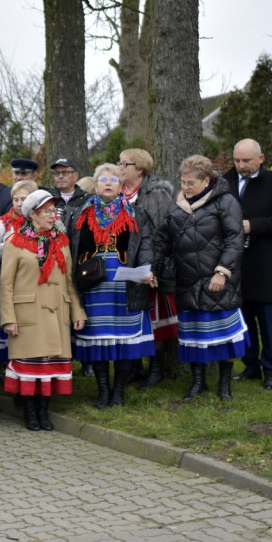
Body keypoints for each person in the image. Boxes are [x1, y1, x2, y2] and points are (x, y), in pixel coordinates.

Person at [156, 155, 247, 401]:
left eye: (190, 183)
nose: (185, 187)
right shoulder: (176, 205)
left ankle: (224, 385)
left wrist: (222, 272)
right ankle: (198, 383)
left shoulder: (225, 202)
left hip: (217, 280)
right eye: (183, 182)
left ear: (207, 180)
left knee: (226, 337)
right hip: (187, 281)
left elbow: (234, 240)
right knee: (193, 336)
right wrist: (151, 268)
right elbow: (163, 240)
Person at [0, 190, 86, 430]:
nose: (53, 216)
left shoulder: (62, 241)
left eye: (53, 211)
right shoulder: (15, 242)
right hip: (28, 314)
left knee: (49, 366)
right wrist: (8, 318)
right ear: (34, 215)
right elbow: (5, 284)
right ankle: (29, 412)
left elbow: (69, 280)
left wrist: (77, 312)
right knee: (30, 365)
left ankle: (44, 412)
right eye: (47, 211)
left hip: (57, 312)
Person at [72, 163, 156, 408]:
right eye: (103, 179)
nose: (108, 183)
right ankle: (103, 391)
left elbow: (147, 245)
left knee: (123, 342)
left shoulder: (136, 214)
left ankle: (119, 391)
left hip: (124, 287)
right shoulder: (79, 214)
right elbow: (72, 248)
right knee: (97, 340)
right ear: (96, 185)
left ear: (121, 185)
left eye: (113, 179)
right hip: (93, 286)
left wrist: (148, 268)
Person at [223, 138, 272, 390]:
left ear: (261, 159)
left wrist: (252, 225)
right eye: (237, 160)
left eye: (246, 161)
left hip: (266, 263)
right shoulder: (225, 181)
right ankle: (251, 366)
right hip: (236, 263)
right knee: (244, 319)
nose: (241, 165)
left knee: (268, 320)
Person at [119, 148, 177, 389]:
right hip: (124, 266)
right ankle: (134, 367)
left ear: (140, 168)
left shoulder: (156, 194)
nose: (120, 168)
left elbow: (163, 233)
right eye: (119, 163)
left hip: (149, 265)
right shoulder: (119, 194)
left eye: (125, 164)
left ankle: (155, 369)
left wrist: (151, 266)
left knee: (152, 322)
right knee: (129, 318)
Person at [0, 180, 38, 370]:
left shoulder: (41, 220)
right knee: (9, 327)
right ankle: (8, 370)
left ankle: (30, 366)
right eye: (15, 199)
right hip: (9, 283)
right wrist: (12, 244)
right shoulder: (3, 222)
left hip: (33, 284)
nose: (18, 203)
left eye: (23, 199)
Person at [49, 157, 89, 232]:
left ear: (75, 176)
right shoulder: (47, 198)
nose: (60, 176)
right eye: (57, 173)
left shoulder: (86, 199)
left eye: (65, 172)